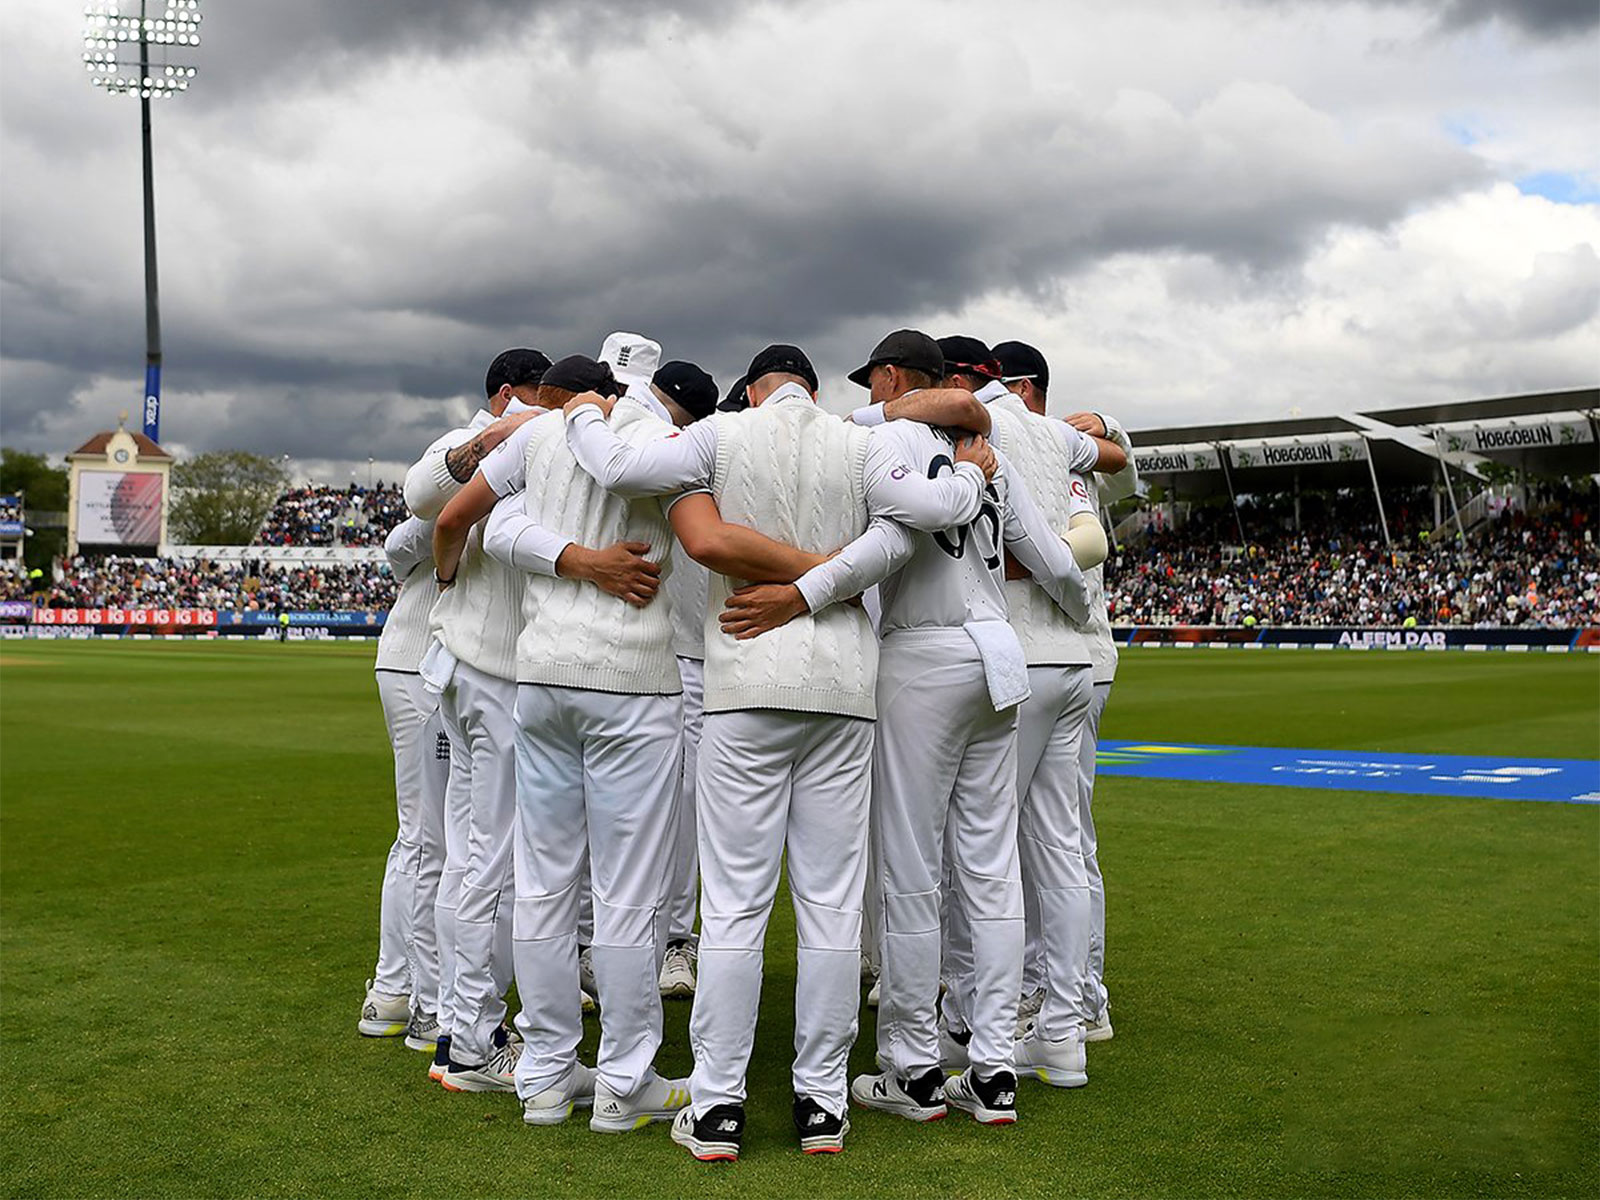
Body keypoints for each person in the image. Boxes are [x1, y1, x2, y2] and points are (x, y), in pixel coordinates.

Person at [563, 343, 996, 1160]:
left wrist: (584, 410)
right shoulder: (857, 440)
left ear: (756, 389)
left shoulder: (722, 434)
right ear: (811, 388)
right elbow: (904, 538)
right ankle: (822, 1103)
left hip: (744, 675)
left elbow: (622, 470)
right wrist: (821, 585)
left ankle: (721, 1102)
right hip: (842, 683)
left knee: (733, 907)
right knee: (831, 907)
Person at [729, 330, 1090, 1126]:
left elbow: (910, 522)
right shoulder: (976, 439)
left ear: (889, 377)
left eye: (873, 382)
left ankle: (912, 1066)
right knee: (991, 869)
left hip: (923, 657)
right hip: (1000, 654)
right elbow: (1056, 563)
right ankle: (994, 1069)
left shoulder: (887, 433)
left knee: (911, 870)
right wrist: (1080, 624)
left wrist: (808, 591)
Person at [930, 336, 1126, 1088]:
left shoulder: (971, 432)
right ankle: (1067, 1033)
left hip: (1013, 654)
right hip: (1076, 658)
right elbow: (1111, 464)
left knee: (981, 849)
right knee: (1062, 847)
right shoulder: (1057, 435)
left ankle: (987, 1020)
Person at [408, 348, 550, 1090]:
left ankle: (453, 1024)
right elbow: (423, 495)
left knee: (469, 856)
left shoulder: (528, 437)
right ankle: (471, 1037)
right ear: (508, 393)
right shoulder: (486, 437)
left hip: (470, 667)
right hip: (488, 671)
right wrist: (499, 435)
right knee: (491, 860)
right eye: (539, 392)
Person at [357, 513, 452, 1056]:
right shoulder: (469, 459)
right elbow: (400, 543)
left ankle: (397, 990)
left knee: (425, 837)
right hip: (423, 665)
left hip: (429, 663)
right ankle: (416, 1000)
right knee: (426, 838)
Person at [646, 361, 724, 999]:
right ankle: (610, 942)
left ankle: (676, 940)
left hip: (700, 661)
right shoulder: (647, 446)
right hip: (643, 657)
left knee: (688, 813)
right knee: (633, 811)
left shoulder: (710, 453)